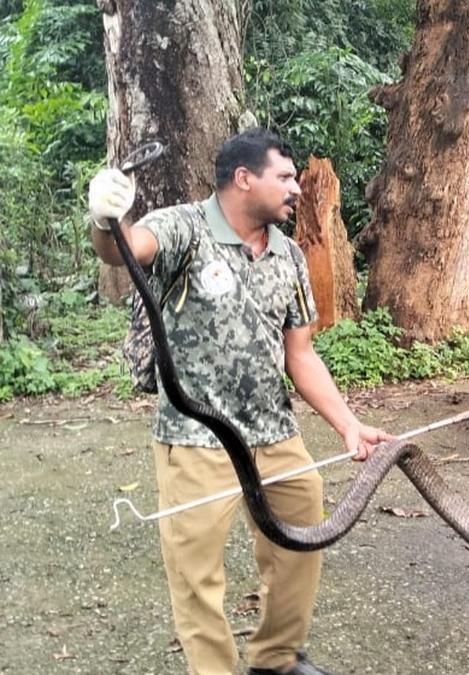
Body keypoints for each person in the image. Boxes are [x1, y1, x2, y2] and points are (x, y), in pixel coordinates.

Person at [87, 129, 394, 675]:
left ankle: (276, 658)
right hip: (197, 438)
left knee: (303, 534)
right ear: (243, 179)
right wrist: (106, 216)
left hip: (274, 432)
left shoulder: (290, 254)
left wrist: (348, 425)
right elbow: (124, 252)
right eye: (284, 177)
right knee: (196, 572)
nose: (296, 188)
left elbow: (300, 354)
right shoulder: (184, 227)